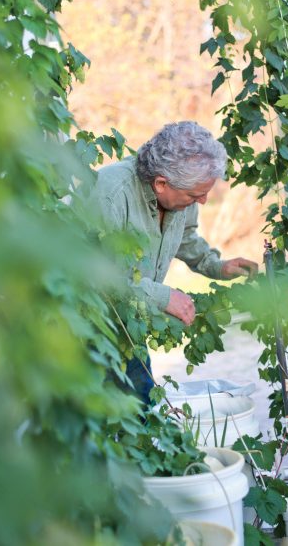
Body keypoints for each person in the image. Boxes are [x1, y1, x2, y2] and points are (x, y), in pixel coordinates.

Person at [93, 121, 258, 404]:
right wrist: (162, 297)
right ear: (160, 183)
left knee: (141, 409)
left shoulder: (179, 193)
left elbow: (183, 235)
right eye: (195, 196)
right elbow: (96, 275)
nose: (203, 201)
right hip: (89, 330)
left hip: (128, 326)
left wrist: (215, 265)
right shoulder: (111, 194)